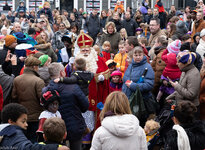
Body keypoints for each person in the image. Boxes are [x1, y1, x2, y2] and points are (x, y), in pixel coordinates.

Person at [44, 62, 89, 150]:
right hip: (74, 125)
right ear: (61, 73)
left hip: (54, 127)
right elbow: (85, 106)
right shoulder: (73, 87)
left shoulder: (46, 90)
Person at [75, 31, 110, 129]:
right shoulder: (76, 61)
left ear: (91, 50)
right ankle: (84, 139)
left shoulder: (99, 59)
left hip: (96, 93)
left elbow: (107, 74)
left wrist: (102, 77)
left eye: (87, 50)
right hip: (80, 94)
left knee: (94, 116)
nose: (85, 53)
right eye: (83, 51)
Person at [0, 103, 69, 150]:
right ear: (11, 121)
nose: (26, 124)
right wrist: (55, 148)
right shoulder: (13, 133)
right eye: (23, 121)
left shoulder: (4, 132)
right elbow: (27, 148)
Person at [12, 56, 45, 143]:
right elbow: (42, 100)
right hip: (35, 117)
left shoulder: (17, 79)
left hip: (21, 116)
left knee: (22, 140)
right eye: (38, 66)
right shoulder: (38, 81)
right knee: (34, 140)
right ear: (34, 67)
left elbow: (14, 97)